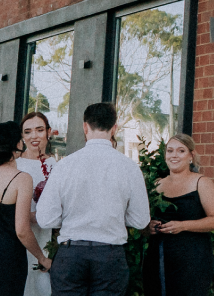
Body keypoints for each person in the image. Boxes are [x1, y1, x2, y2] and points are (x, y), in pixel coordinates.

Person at [35, 102, 149, 296]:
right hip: (110, 255)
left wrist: (71, 216)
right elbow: (141, 220)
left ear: (85, 126)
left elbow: (45, 218)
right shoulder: (129, 167)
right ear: (114, 128)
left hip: (71, 254)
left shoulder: (65, 166)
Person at [0, 122, 53, 296]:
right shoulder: (21, 179)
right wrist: (42, 258)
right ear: (18, 144)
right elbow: (21, 230)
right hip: (7, 257)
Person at [143, 134, 214, 296]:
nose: (174, 155)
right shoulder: (157, 185)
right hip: (159, 259)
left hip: (192, 262)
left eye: (181, 151)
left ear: (191, 156)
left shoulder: (201, 183)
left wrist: (183, 226)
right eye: (170, 151)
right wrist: (149, 227)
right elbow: (144, 221)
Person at [17, 112, 58, 296]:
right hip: (22, 237)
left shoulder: (55, 165)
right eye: (28, 131)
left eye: (39, 130)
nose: (34, 136)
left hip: (48, 235)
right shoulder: (16, 165)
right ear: (22, 136)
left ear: (48, 132)